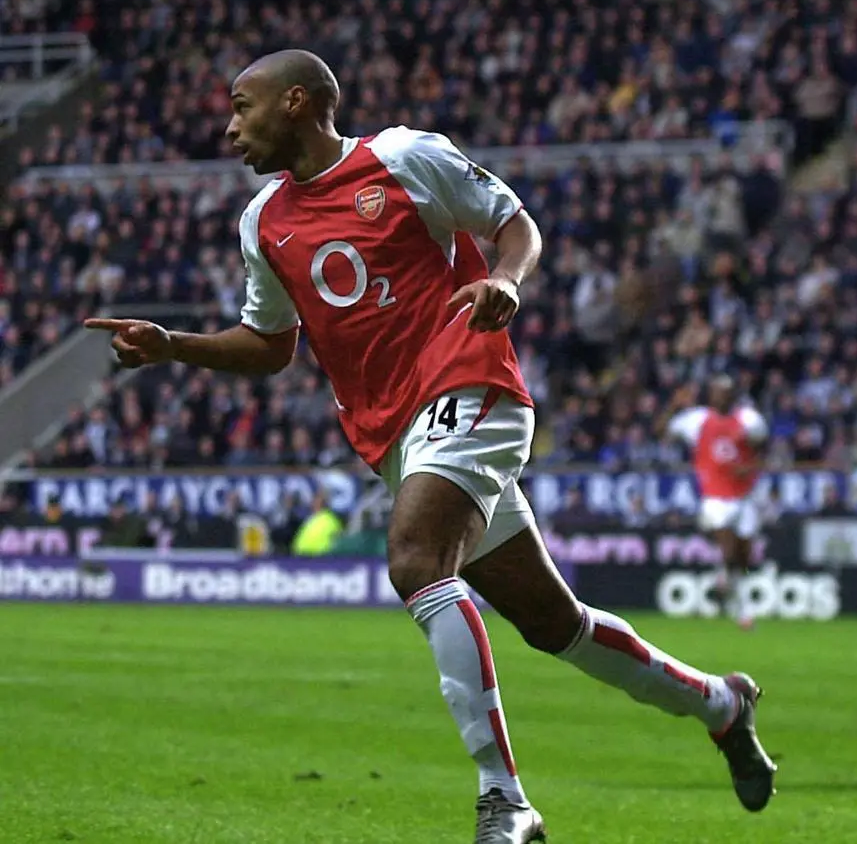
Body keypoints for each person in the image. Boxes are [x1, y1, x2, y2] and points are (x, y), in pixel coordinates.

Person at [83, 49, 776, 844]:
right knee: (558, 624)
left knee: (415, 561)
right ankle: (721, 704)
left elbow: (514, 224)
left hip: (470, 384)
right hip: (396, 435)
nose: (230, 126)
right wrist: (173, 345)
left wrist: (508, 280)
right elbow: (271, 345)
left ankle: (503, 798)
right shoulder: (262, 223)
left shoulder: (406, 157)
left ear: (298, 103)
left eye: (243, 107)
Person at [664, 374, 769, 630]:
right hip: (714, 497)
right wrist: (672, 407)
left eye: (725, 392)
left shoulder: (749, 420)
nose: (720, 396)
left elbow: (763, 445)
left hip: (744, 497)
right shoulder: (697, 420)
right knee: (729, 547)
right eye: (715, 392)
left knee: (742, 558)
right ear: (710, 395)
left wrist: (751, 466)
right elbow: (664, 432)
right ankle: (726, 582)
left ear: (732, 395)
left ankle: (738, 603)